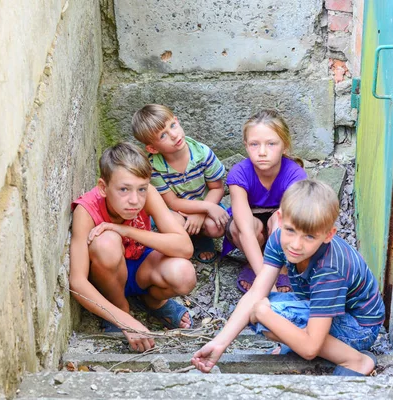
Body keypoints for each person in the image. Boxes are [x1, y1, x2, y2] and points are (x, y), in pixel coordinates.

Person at [192, 179, 385, 376]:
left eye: (309, 236)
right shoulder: (278, 238)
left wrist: (264, 314)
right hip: (327, 311)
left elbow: (310, 349)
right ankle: (297, 342)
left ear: (328, 235)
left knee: (265, 313)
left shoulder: (330, 269)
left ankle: (355, 360)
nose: (295, 244)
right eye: (291, 231)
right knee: (250, 310)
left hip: (358, 328)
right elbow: (257, 291)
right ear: (280, 219)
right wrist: (218, 344)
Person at [69, 142, 196, 352]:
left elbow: (185, 248)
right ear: (103, 187)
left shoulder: (148, 195)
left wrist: (126, 230)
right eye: (124, 189)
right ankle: (120, 309)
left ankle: (153, 303)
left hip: (140, 266)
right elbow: (77, 281)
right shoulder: (86, 210)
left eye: (142, 189)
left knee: (184, 273)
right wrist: (124, 320)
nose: (135, 200)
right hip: (107, 273)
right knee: (106, 242)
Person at [223, 109, 308, 293]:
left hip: (278, 223)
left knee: (280, 223)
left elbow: (294, 221)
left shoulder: (295, 174)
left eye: (271, 144)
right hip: (251, 225)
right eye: (254, 144)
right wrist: (266, 284)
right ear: (245, 145)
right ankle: (256, 263)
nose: (262, 152)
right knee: (239, 227)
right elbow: (245, 229)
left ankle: (282, 267)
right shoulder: (239, 173)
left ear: (284, 146)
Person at [132, 104, 229, 263]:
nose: (173, 135)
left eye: (173, 125)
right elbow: (172, 202)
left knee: (217, 226)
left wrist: (203, 211)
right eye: (163, 135)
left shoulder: (202, 153)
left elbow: (217, 188)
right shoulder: (154, 167)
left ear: (177, 121)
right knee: (174, 222)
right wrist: (205, 209)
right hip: (178, 211)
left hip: (205, 202)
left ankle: (202, 237)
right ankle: (187, 241)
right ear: (153, 148)